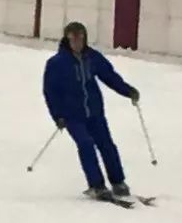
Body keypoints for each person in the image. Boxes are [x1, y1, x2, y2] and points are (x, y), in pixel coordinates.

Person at [42, 21, 140, 200]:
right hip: (72, 116)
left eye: (80, 38)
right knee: (86, 144)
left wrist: (128, 91)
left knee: (107, 145)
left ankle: (118, 182)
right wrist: (58, 116)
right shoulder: (57, 63)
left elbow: (109, 76)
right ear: (67, 40)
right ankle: (97, 185)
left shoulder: (92, 57)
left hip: (95, 113)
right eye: (73, 39)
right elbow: (50, 92)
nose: (77, 43)